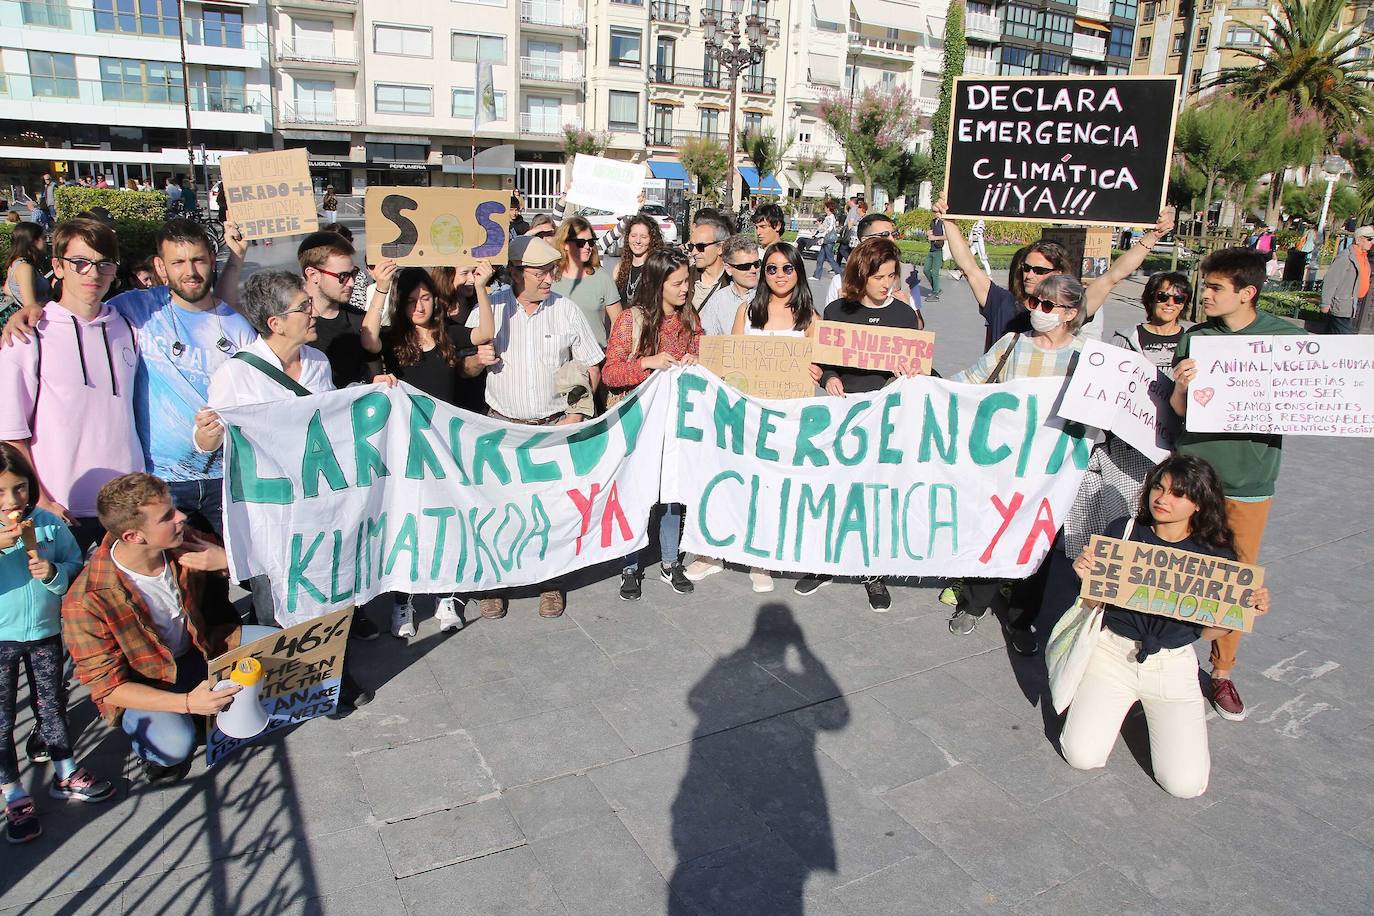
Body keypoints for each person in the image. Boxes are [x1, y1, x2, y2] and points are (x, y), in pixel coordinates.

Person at [1061, 455, 1270, 798]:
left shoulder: (1216, 556)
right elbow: (1094, 607)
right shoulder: (1123, 531)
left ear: (1199, 504)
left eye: (1178, 494)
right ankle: (1114, 704)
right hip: (1111, 654)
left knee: (1186, 786)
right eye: (1159, 487)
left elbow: (1208, 634)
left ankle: (1150, 711)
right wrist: (1086, 579)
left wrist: (1243, 612)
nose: (1162, 499)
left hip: (1172, 665)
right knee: (1081, 755)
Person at [61, 473, 277, 785]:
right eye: (167, 516)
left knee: (278, 647)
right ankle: (159, 749)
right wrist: (187, 703)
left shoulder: (178, 538)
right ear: (134, 536)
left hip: (200, 649)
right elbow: (108, 688)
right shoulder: (86, 601)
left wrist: (225, 560)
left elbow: (251, 564)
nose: (181, 517)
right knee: (174, 746)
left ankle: (207, 713)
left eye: (173, 508)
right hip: (148, 681)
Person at [1170, 247, 1303, 721]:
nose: (1203, 294)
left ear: (1247, 293)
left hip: (1249, 481)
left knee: (1237, 577)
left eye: (1214, 288)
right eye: (1204, 285)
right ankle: (1169, 650)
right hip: (1193, 477)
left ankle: (1223, 671)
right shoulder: (1196, 339)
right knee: (1180, 566)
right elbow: (1180, 412)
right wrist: (1182, 386)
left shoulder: (1287, 340)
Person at [1040, 272, 1193, 641]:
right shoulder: (1126, 340)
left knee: (1147, 545)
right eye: (1161, 295)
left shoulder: (1194, 344)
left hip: (1167, 458)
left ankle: (1133, 626)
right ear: (1148, 298)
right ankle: (1075, 619)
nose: (1169, 303)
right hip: (1118, 453)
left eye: (1178, 297)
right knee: (1095, 536)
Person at [465, 236, 604, 621]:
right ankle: (494, 584)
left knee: (549, 509)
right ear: (514, 272)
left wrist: (577, 413)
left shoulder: (567, 310)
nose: (548, 280)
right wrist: (478, 360)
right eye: (540, 272)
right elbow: (466, 366)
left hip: (552, 428)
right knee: (498, 509)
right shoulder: (488, 308)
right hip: (501, 428)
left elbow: (591, 364)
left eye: (551, 272)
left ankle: (550, 581)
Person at [945, 274, 1087, 644]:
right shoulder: (1012, 345)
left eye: (1047, 305)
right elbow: (971, 380)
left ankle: (1023, 620)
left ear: (1070, 313)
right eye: (1034, 302)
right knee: (993, 533)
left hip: (1052, 472)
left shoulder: (1087, 356)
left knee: (1037, 543)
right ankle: (974, 604)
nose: (1036, 310)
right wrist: (926, 385)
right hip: (1004, 467)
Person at [362, 263, 495, 637]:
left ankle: (444, 597)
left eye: (424, 298)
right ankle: (402, 603)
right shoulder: (391, 339)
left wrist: (481, 288)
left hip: (445, 445)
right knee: (407, 524)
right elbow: (368, 339)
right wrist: (380, 288)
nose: (419, 307)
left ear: (436, 300)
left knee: (445, 523)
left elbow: (484, 331)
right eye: (410, 301)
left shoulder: (447, 333)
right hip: (405, 447)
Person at [0, 219, 142, 553]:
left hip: (127, 506)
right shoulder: (27, 335)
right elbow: (11, 434)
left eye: (103, 264)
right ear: (58, 266)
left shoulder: (128, 325)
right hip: (61, 511)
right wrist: (44, 501)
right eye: (80, 263)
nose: (92, 274)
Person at [0, 445, 115, 843]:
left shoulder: (48, 522)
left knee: (51, 705)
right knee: (2, 720)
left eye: (19, 488)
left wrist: (53, 573)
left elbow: (74, 567)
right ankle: (13, 794)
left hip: (46, 633)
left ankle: (65, 772)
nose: (12, 501)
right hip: (1, 640)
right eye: (0, 493)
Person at [809, 237, 923, 611]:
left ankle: (873, 572)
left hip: (887, 418)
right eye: (878, 277)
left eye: (891, 276)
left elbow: (920, 370)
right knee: (836, 489)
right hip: (843, 414)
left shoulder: (906, 317)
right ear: (861, 274)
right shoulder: (837, 310)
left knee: (877, 493)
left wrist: (908, 374)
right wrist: (828, 378)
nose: (886, 284)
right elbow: (825, 362)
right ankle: (826, 561)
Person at [935, 199, 1174, 352]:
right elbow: (968, 266)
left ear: (1058, 273)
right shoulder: (1001, 302)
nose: (1029, 274)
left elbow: (1113, 276)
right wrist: (949, 221)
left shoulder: (1072, 308)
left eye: (1039, 270)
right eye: (1026, 268)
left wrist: (1152, 236)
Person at [601, 248, 701, 600]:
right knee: (635, 492)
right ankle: (629, 563)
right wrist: (647, 363)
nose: (686, 289)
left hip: (675, 422)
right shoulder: (631, 320)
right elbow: (610, 374)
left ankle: (671, 560)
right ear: (659, 284)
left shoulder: (690, 320)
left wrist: (694, 361)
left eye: (687, 281)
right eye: (678, 283)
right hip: (637, 424)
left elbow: (703, 357)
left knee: (672, 493)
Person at [297, 231, 375, 388]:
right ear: (313, 275)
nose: (351, 283)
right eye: (343, 276)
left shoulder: (359, 320)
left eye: (354, 273)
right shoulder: (292, 325)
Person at [825, 212, 923, 326]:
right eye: (885, 234)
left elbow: (918, 327)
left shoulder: (908, 274)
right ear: (865, 240)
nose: (891, 239)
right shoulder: (840, 281)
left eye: (893, 234)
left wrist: (907, 308)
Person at [551, 216, 622, 346]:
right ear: (565, 245)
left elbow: (618, 323)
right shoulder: (551, 278)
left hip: (597, 357)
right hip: (560, 359)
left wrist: (611, 355)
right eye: (580, 243)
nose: (587, 246)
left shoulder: (602, 277)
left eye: (591, 242)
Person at [699, 235, 761, 337]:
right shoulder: (717, 302)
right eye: (745, 266)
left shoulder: (771, 296)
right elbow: (707, 342)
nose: (753, 270)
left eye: (756, 264)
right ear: (728, 268)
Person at [1319, 225, 1372, 335]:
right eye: (1369, 239)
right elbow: (1331, 280)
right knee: (1345, 338)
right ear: (1359, 239)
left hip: (1352, 305)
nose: (1372, 242)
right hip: (1340, 306)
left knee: (1333, 337)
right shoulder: (1346, 256)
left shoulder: (1363, 257)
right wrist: (1325, 303)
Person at [613, 214, 665, 304]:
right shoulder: (619, 268)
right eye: (633, 236)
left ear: (652, 240)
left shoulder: (657, 268)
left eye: (643, 237)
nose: (638, 241)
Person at [3, 222, 50, 314]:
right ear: (32, 241)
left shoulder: (15, 264)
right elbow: (31, 306)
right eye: (44, 238)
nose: (46, 242)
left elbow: (7, 289)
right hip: (40, 320)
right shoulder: (24, 268)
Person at [688, 215, 732, 310]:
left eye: (700, 247)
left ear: (720, 247)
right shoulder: (685, 277)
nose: (694, 252)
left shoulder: (733, 281)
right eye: (691, 247)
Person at [811, 199, 842, 279]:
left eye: (825, 207)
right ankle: (817, 275)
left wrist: (818, 228)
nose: (824, 208)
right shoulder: (831, 217)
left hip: (828, 240)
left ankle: (840, 274)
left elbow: (825, 228)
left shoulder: (829, 218)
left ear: (828, 208)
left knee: (830, 258)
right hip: (827, 240)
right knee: (820, 258)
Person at [923, 214, 946, 301]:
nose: (935, 213)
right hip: (932, 249)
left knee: (935, 273)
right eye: (934, 211)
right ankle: (936, 288)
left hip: (939, 250)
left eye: (937, 211)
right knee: (926, 270)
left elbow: (948, 236)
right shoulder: (933, 222)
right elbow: (930, 234)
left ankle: (935, 293)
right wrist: (928, 233)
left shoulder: (943, 223)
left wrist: (935, 237)